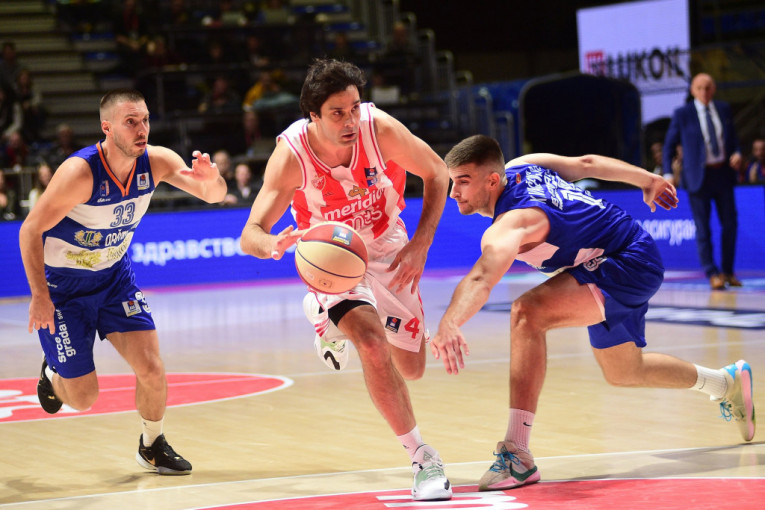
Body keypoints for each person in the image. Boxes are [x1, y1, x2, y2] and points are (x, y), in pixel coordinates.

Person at [431, 134, 756, 492]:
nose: (453, 193)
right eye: (452, 181)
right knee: (625, 371)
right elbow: (585, 164)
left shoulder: (514, 222)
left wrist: (450, 321)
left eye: (463, 181)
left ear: (492, 180)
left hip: (626, 261)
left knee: (527, 313)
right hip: (618, 253)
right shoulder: (523, 165)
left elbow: (482, 276)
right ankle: (725, 383)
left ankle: (516, 454)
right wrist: (647, 179)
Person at [239, 58, 452, 501]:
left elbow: (438, 172)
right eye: (338, 112)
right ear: (313, 116)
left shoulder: (379, 129)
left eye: (354, 107)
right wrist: (272, 244)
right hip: (332, 257)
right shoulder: (292, 155)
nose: (351, 120)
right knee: (371, 343)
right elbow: (250, 234)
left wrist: (421, 243)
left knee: (411, 368)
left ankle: (322, 319)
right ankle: (422, 457)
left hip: (388, 245)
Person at [18, 89, 227, 475]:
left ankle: (152, 445)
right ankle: (52, 374)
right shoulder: (80, 173)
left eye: (145, 119)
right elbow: (30, 230)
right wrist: (39, 296)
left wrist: (213, 181)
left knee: (152, 368)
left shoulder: (157, 161)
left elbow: (212, 195)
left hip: (115, 279)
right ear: (107, 127)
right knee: (83, 397)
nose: (142, 128)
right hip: (65, 290)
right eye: (131, 121)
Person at [663, 73, 743, 290]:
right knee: (703, 228)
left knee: (730, 224)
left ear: (713, 89)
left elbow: (733, 139)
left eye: (708, 88)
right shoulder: (683, 114)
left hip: (723, 173)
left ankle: (728, 271)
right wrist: (668, 173)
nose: (704, 92)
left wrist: (737, 153)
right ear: (692, 90)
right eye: (699, 88)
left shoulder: (724, 109)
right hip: (698, 178)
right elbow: (668, 146)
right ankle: (712, 273)